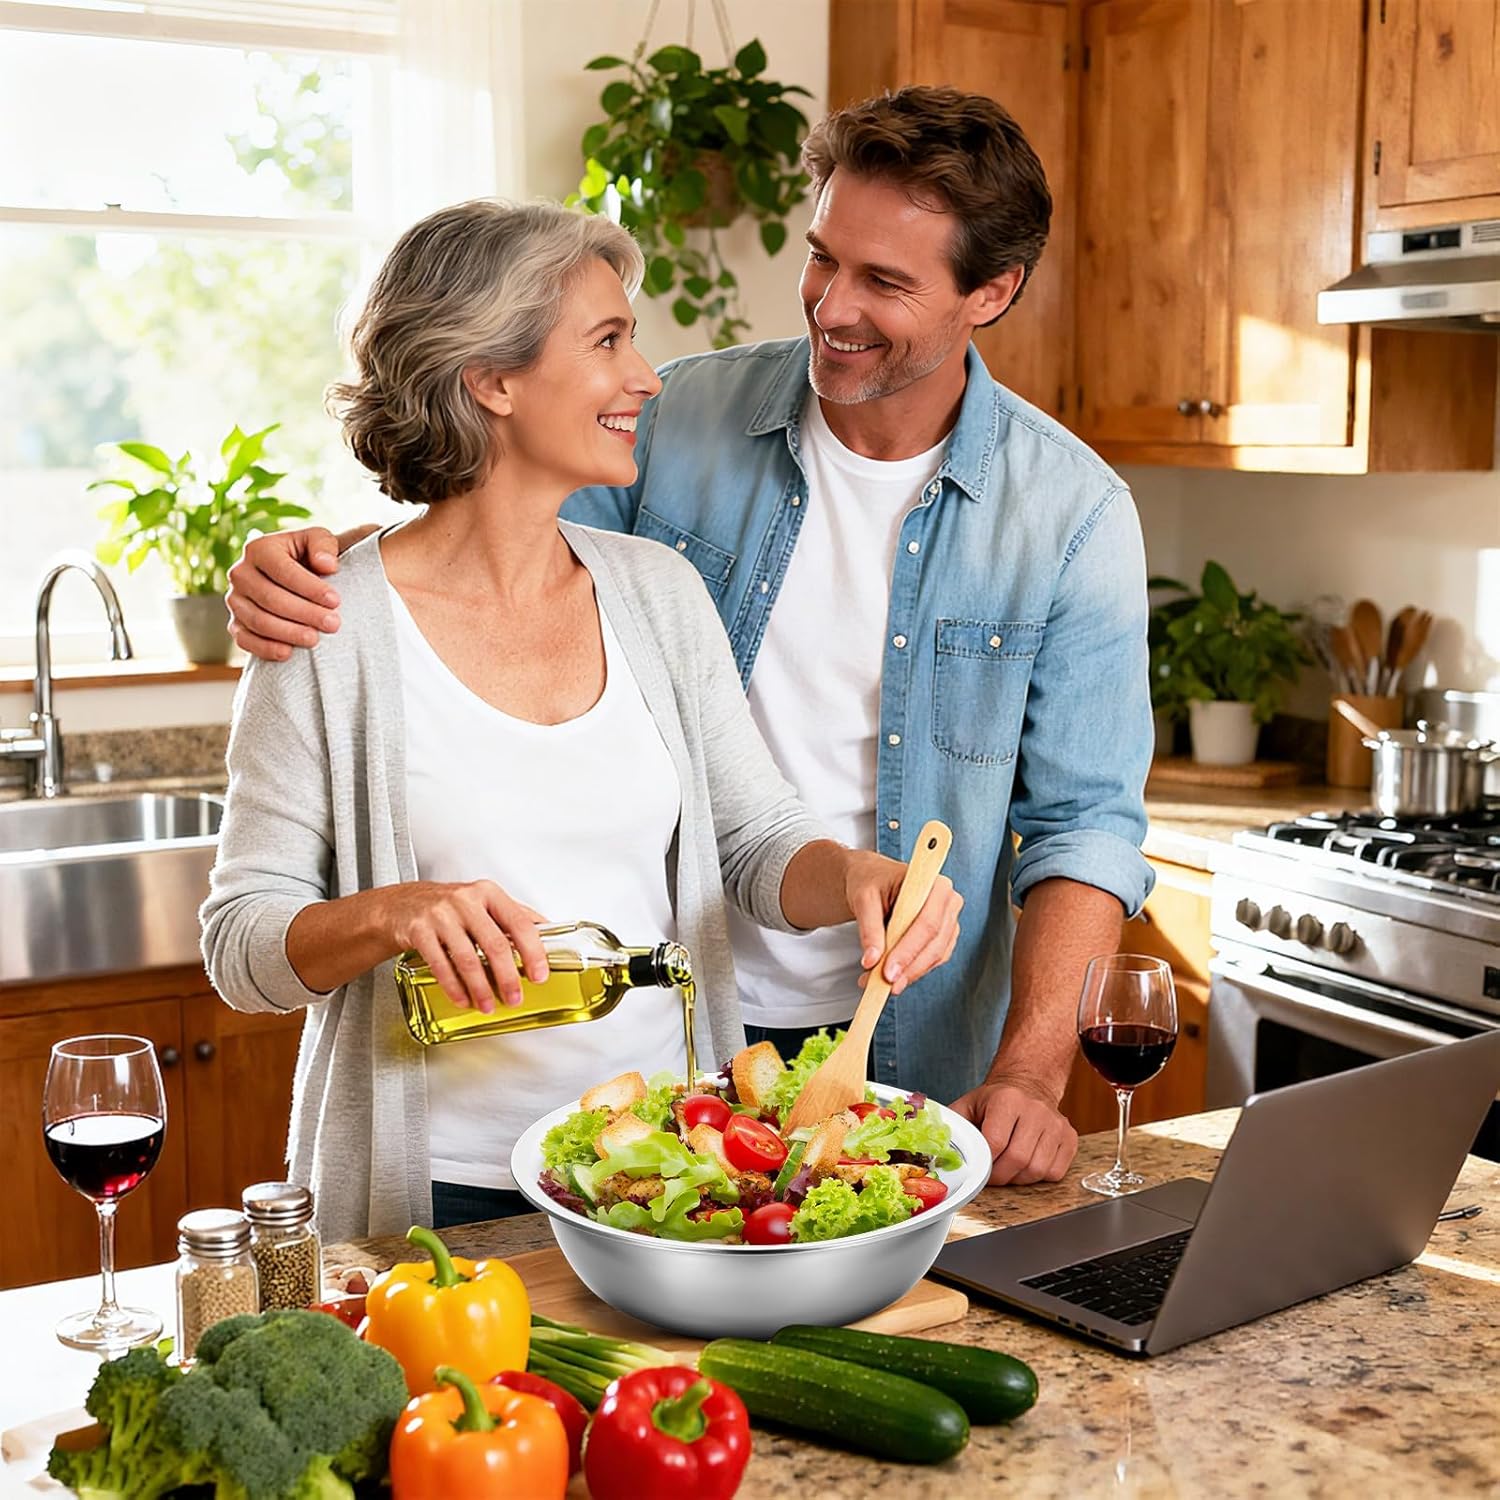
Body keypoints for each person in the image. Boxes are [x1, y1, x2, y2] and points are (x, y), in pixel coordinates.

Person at [225, 86, 1155, 1189]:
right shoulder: (673, 429)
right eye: (823, 259)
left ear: (989, 293)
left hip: (808, 1061)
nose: (831, 304)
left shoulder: (1066, 513)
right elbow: (485, 522)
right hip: (558, 1110)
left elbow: (1075, 822)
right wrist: (334, 562)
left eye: (886, 281)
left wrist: (1025, 1058)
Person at [201, 199, 961, 1242]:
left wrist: (858, 881)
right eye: (608, 341)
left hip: (658, 1173)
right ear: (491, 379)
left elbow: (755, 843)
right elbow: (242, 947)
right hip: (440, 1196)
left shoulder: (656, 591)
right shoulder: (329, 627)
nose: (646, 376)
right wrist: (391, 913)